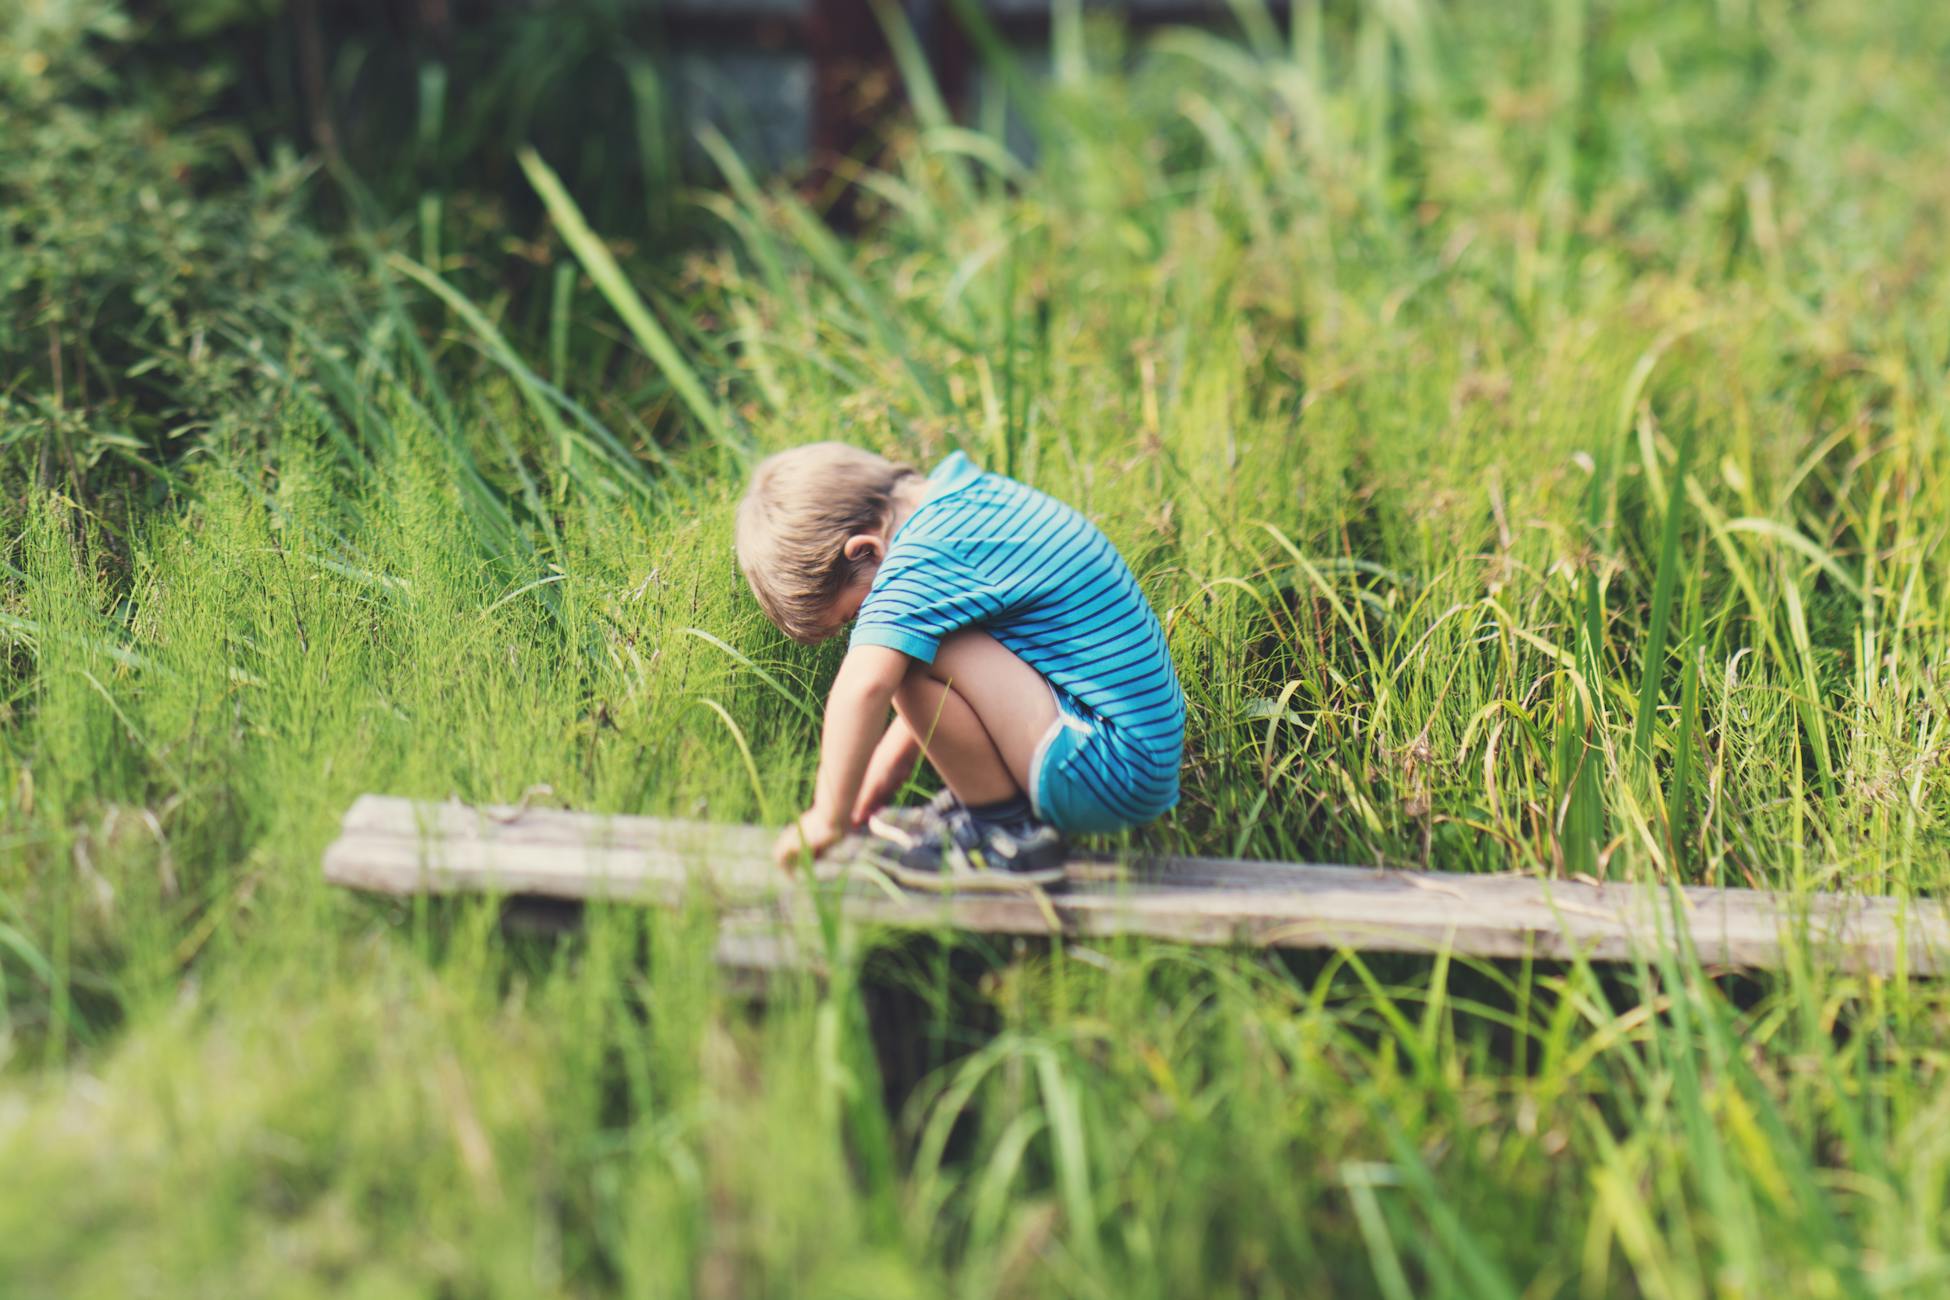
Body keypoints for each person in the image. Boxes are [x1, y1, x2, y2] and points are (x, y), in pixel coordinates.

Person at [735, 441, 1185, 889]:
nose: (862, 622)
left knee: (905, 658)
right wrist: (877, 785)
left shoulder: (920, 556)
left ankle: (1005, 833)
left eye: (853, 614)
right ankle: (998, 814)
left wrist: (826, 815)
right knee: (923, 640)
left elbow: (866, 686)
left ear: (865, 551)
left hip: (1106, 769)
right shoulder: (966, 502)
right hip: (1125, 757)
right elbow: (958, 684)